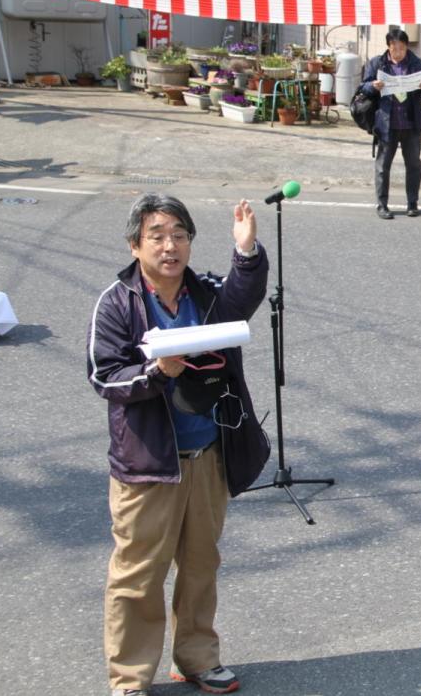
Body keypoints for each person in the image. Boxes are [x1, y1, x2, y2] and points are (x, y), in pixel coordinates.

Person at [87, 194, 270, 696]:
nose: (170, 246)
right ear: (135, 245)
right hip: (148, 464)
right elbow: (105, 377)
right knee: (138, 574)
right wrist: (154, 372)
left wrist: (247, 250)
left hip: (209, 454)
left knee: (200, 563)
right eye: (158, 235)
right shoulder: (117, 302)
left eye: (180, 235)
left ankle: (196, 658)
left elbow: (242, 296)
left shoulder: (205, 291)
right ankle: (128, 679)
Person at [360, 28, 421, 220]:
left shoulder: (415, 63)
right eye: (394, 49)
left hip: (410, 123)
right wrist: (373, 86)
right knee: (383, 166)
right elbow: (363, 87)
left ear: (406, 47)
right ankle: (382, 204)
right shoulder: (378, 63)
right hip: (387, 123)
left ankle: (412, 203)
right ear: (388, 47)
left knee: (414, 164)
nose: (398, 53)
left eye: (402, 48)